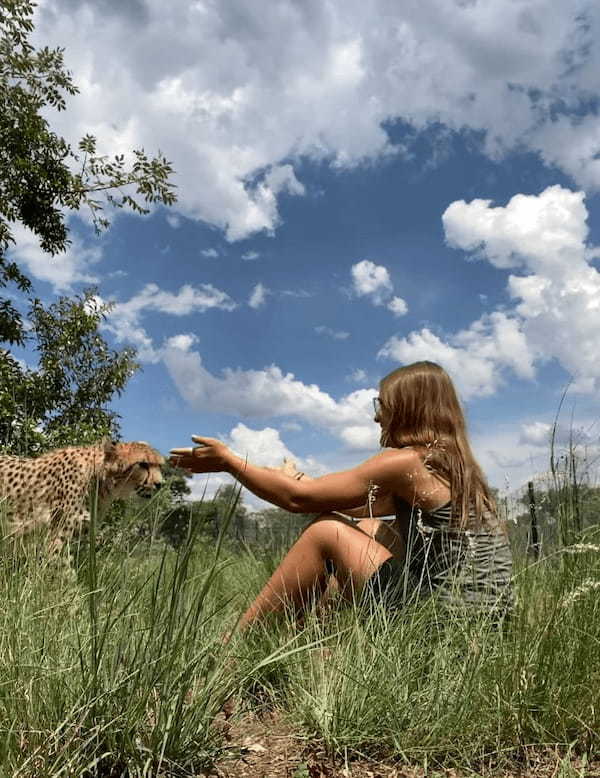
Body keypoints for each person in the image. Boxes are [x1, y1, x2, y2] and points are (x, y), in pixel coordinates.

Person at [170, 361, 513, 630]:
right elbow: (344, 501)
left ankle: (232, 650)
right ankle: (321, 633)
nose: (378, 416)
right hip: (483, 630)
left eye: (384, 405)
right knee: (370, 528)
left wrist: (230, 462)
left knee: (326, 531)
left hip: (442, 629)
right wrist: (290, 478)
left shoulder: (405, 462)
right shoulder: (453, 468)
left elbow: (299, 499)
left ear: (407, 410)